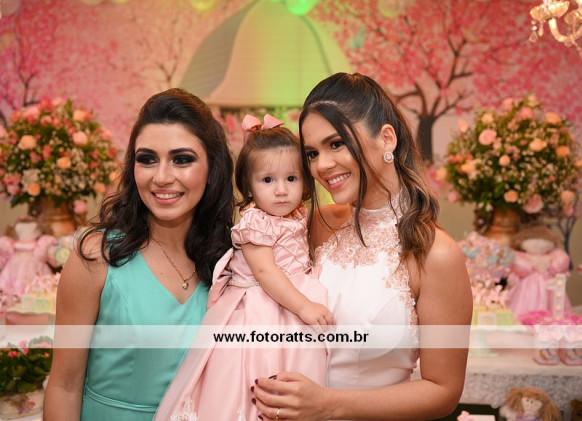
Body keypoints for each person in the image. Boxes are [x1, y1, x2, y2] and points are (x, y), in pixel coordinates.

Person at [252, 73, 473, 420]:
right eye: (312, 153)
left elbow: (443, 390)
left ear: (386, 138)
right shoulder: (314, 226)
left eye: (336, 144)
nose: (322, 165)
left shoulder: (435, 254)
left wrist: (328, 405)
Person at [43, 88, 235, 421]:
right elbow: (64, 386)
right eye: (147, 159)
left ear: (212, 168)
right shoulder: (97, 256)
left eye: (182, 159)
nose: (161, 177)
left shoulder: (232, 260)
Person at [154, 114, 332, 421]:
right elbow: (265, 273)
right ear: (249, 186)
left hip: (289, 301)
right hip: (259, 306)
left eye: (291, 179)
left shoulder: (298, 214)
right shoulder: (255, 222)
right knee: (250, 374)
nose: (281, 190)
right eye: (268, 180)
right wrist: (304, 306)